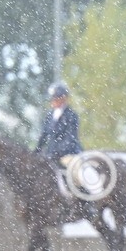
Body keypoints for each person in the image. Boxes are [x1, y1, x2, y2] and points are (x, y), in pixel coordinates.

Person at [35, 82, 97, 219]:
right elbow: (43, 136)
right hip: (51, 154)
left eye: (55, 98)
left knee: (74, 173)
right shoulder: (50, 115)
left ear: (63, 98)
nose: (53, 101)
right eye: (52, 98)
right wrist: (36, 151)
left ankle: (88, 203)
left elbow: (70, 138)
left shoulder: (71, 116)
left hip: (68, 153)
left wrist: (57, 152)